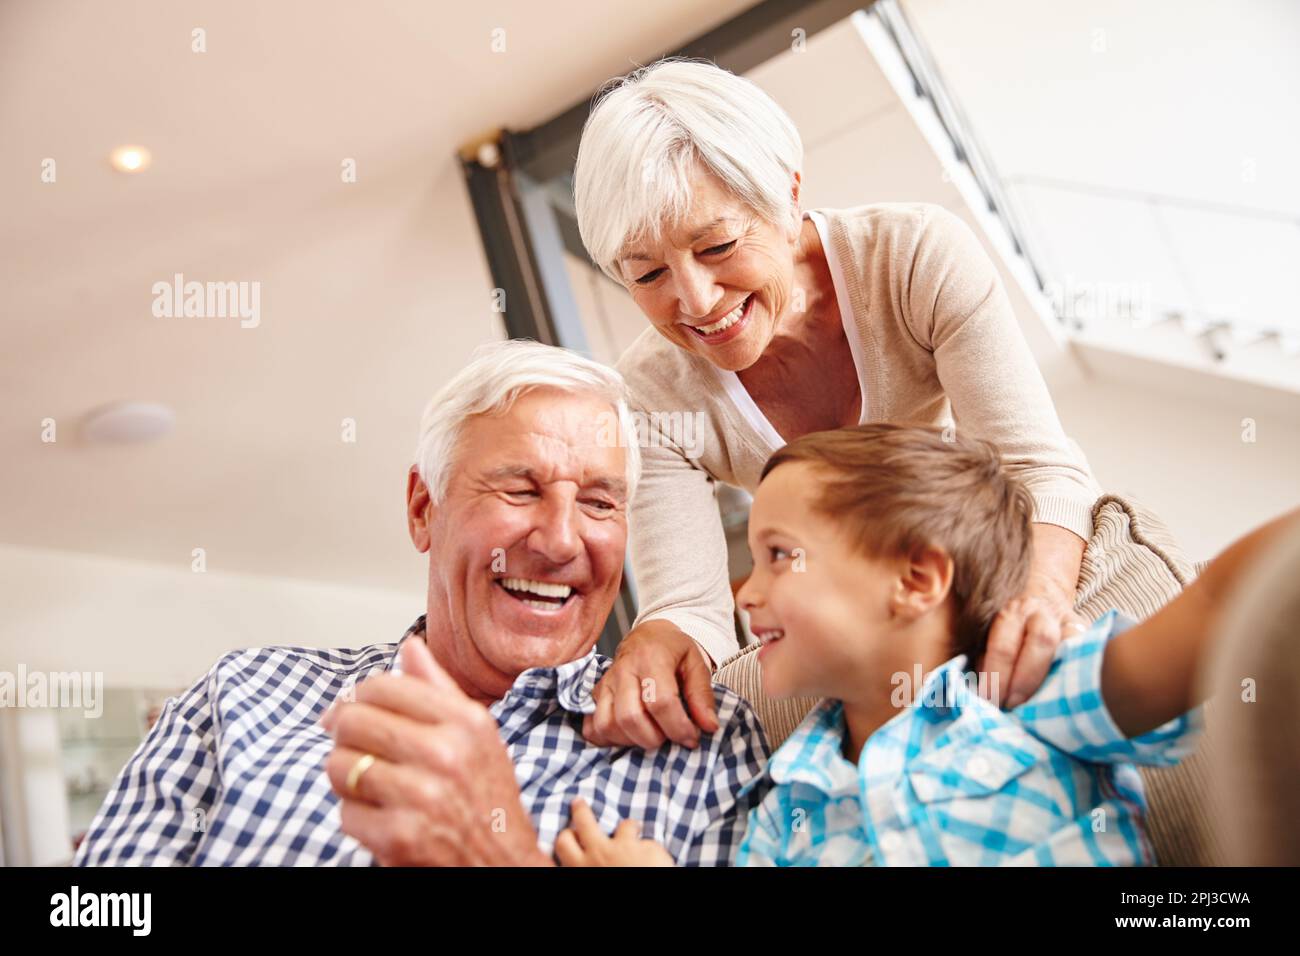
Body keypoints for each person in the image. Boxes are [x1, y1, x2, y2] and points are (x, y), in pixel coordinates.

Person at [572, 58, 1104, 753]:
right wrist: (659, 638)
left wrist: (1037, 600)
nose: (696, 301)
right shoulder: (647, 396)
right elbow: (692, 609)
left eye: (720, 245)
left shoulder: (915, 257)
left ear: (788, 199)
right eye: (646, 273)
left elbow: (1036, 468)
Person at [74, 340, 768, 867]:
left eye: (598, 502)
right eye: (519, 490)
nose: (560, 542)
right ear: (422, 509)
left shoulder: (701, 745)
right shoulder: (241, 698)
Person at [554, 423, 1299, 866]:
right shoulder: (788, 802)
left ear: (916, 579)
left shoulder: (1031, 697)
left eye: (780, 555)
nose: (746, 594)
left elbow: (1221, 605)